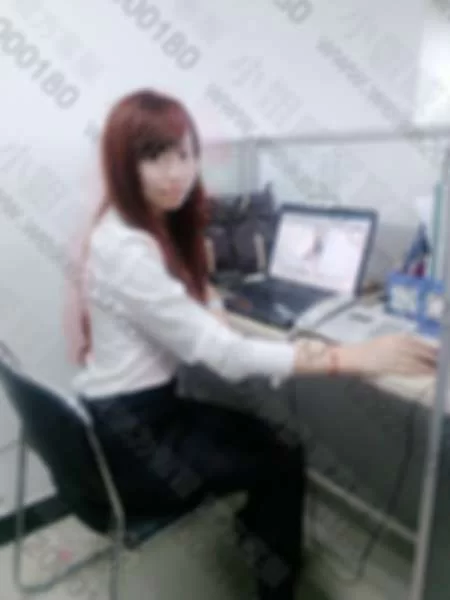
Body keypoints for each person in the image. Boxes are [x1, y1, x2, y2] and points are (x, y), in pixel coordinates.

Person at [66, 89, 437, 600]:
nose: (177, 172)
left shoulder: (128, 226)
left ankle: (258, 533)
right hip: (139, 445)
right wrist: (353, 356)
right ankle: (274, 582)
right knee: (282, 454)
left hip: (125, 417)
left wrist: (212, 300)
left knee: (271, 439)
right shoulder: (127, 248)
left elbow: (186, 296)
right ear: (123, 163)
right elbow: (228, 356)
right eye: (155, 157)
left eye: (186, 154)